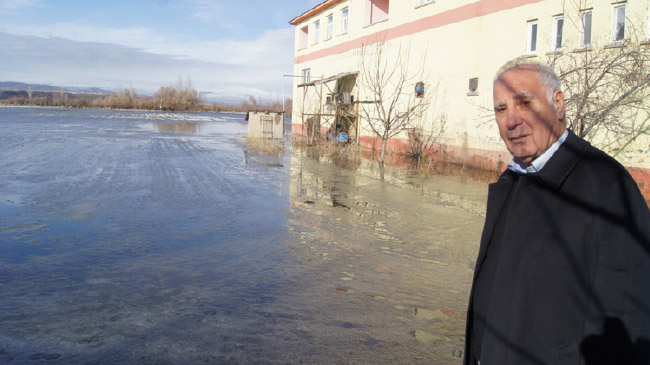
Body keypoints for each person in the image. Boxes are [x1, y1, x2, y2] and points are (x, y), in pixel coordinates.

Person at [464, 59, 650, 364]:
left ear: (558, 103)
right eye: (501, 109)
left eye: (524, 103)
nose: (511, 121)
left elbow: (628, 323)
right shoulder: (515, 178)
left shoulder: (607, 188)